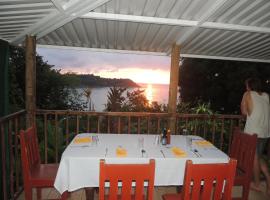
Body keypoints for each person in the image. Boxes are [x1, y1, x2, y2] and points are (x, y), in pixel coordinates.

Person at [241, 77, 270, 195]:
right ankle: (268, 179)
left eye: (246, 85)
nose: (246, 87)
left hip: (253, 132)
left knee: (254, 159)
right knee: (258, 157)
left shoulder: (247, 94)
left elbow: (244, 112)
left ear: (249, 86)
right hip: (265, 132)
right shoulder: (266, 95)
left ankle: (257, 184)